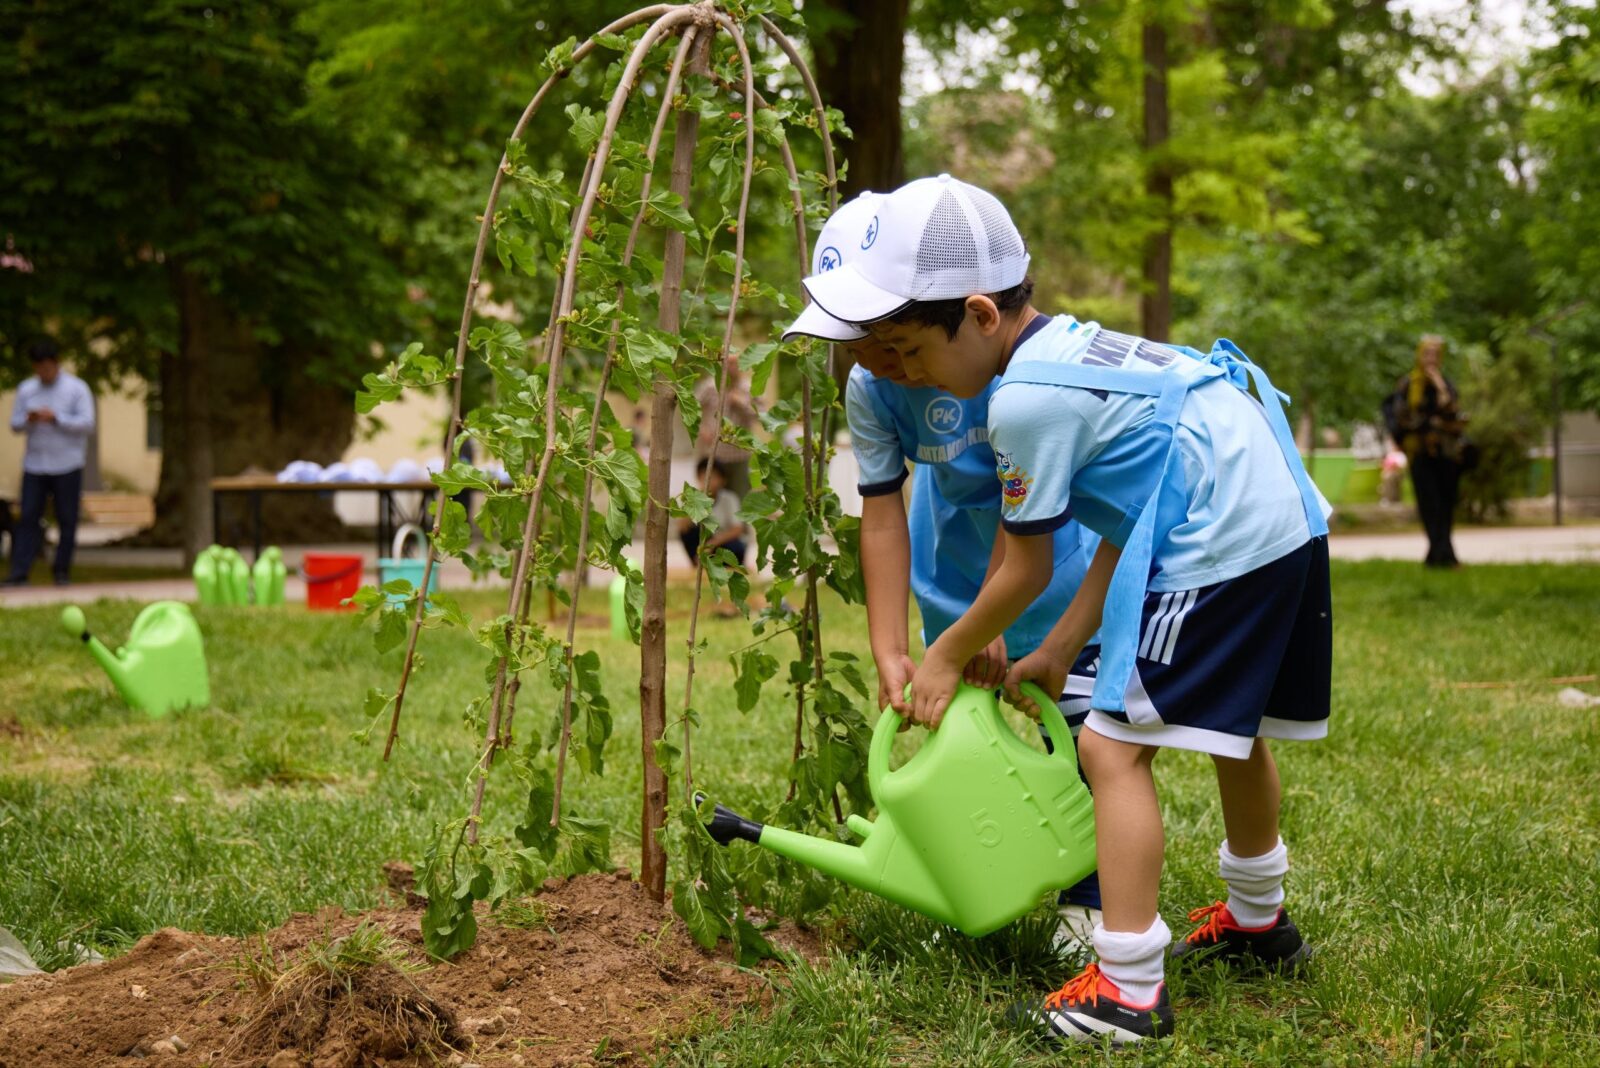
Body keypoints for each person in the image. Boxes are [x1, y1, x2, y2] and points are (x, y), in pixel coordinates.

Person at [802, 175, 1331, 1045]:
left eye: (909, 350)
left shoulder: (1025, 401)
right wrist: (1060, 646)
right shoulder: (1074, 357)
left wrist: (940, 658)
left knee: (1108, 747)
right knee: (1237, 732)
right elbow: (1127, 520)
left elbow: (1022, 564)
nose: (900, 373)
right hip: (1275, 508)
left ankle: (1126, 990)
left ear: (979, 315)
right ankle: (1257, 921)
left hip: (1223, 532)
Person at [783, 191, 1106, 944]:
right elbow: (884, 512)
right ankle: (983, 870)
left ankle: (1088, 900)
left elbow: (1015, 503)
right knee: (966, 737)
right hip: (954, 586)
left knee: (1085, 739)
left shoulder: (1004, 368)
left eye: (892, 349)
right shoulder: (872, 387)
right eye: (862, 352)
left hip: (1050, 579)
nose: (885, 369)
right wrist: (890, 642)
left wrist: (982, 622)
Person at [6, 339, 96, 587]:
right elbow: (14, 424)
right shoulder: (27, 390)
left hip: (67, 464)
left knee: (67, 519)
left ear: (56, 363)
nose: (43, 372)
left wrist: (57, 418)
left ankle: (61, 571)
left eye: (47, 367)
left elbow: (87, 423)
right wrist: (30, 419)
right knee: (27, 518)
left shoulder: (77, 389)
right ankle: (20, 572)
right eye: (38, 368)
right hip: (35, 464)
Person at [1382, 335, 1467, 567]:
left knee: (1447, 502)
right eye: (1426, 353)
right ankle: (1439, 553)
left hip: (1446, 453)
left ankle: (1441, 554)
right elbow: (1398, 417)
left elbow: (1453, 411)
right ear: (1419, 355)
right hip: (1420, 452)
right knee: (1429, 503)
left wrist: (1439, 386)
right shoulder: (1408, 385)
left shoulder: (1446, 384)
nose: (1430, 359)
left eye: (1435, 354)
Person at [677, 458, 748, 618]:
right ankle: (699, 564)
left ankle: (722, 568)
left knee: (737, 546)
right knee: (690, 533)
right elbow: (682, 527)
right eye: (704, 476)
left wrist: (713, 543)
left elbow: (738, 529)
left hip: (722, 544)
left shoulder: (729, 499)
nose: (709, 481)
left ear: (723, 480)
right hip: (703, 543)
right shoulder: (694, 498)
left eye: (714, 477)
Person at [694, 354, 760, 497]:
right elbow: (691, 408)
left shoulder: (749, 388)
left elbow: (761, 415)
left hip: (740, 456)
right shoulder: (710, 386)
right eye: (727, 364)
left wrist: (742, 403)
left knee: (740, 497)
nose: (731, 368)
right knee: (712, 496)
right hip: (715, 454)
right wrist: (701, 429)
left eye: (734, 364)